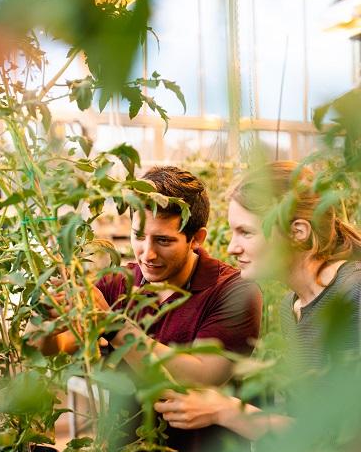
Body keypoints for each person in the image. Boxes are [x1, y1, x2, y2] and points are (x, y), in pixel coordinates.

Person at [40, 165, 262, 452]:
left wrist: (112, 324)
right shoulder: (119, 281)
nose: (147, 254)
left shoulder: (235, 291)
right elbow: (57, 345)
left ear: (196, 238)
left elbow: (201, 377)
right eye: (138, 236)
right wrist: (49, 316)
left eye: (163, 241)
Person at [154, 160, 361, 438]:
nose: (232, 247)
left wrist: (224, 410)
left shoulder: (352, 296)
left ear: (298, 232)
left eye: (246, 232)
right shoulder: (293, 307)